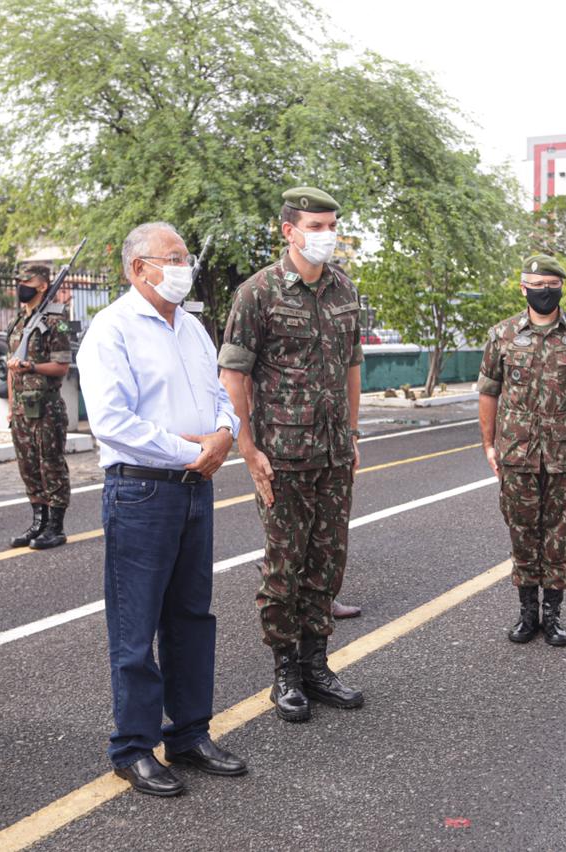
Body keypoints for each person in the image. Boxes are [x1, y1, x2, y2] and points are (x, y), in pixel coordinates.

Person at [77, 222, 246, 797]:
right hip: (143, 490)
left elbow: (220, 394)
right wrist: (193, 450)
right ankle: (132, 747)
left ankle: (190, 733)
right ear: (136, 268)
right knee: (136, 625)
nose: (183, 266)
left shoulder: (193, 328)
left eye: (185, 257)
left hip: (195, 486)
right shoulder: (112, 330)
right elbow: (113, 422)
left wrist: (225, 432)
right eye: (170, 258)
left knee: (191, 617)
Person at [219, 186, 365, 724]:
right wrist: (248, 447)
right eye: (317, 226)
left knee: (327, 563)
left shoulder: (343, 289)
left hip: (332, 453)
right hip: (281, 454)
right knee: (285, 565)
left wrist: (352, 432)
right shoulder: (256, 293)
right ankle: (285, 672)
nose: (327, 235)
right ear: (289, 231)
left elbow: (352, 366)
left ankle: (316, 664)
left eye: (332, 226)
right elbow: (233, 374)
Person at [477, 254, 566, 646]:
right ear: (523, 288)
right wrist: (488, 444)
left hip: (565, 453)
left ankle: (552, 616)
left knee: (558, 536)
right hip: (516, 452)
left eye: (552, 286)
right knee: (522, 534)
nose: (544, 293)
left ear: (561, 287)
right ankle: (526, 613)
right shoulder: (502, 335)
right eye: (537, 286)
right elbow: (488, 392)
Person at [5, 264, 73, 550]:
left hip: (46, 410)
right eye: (19, 280)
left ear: (43, 285)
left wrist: (31, 365)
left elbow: (62, 366)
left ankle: (55, 527)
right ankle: (38, 523)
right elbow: (10, 369)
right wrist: (11, 407)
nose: (21, 285)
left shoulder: (55, 321)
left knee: (51, 467)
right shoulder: (18, 322)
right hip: (21, 410)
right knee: (28, 468)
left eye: (27, 281)